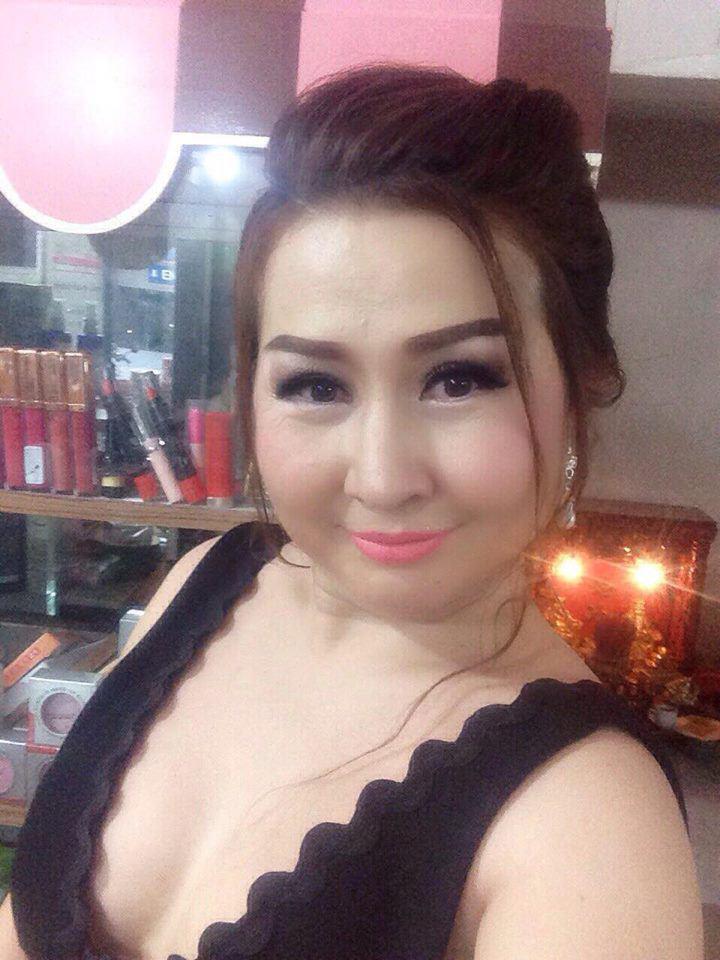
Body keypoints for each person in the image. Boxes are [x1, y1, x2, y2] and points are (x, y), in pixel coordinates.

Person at [1, 63, 703, 960]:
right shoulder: (206, 582)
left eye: (460, 379)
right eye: (316, 385)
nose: (380, 477)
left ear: (584, 382)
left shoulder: (589, 826)